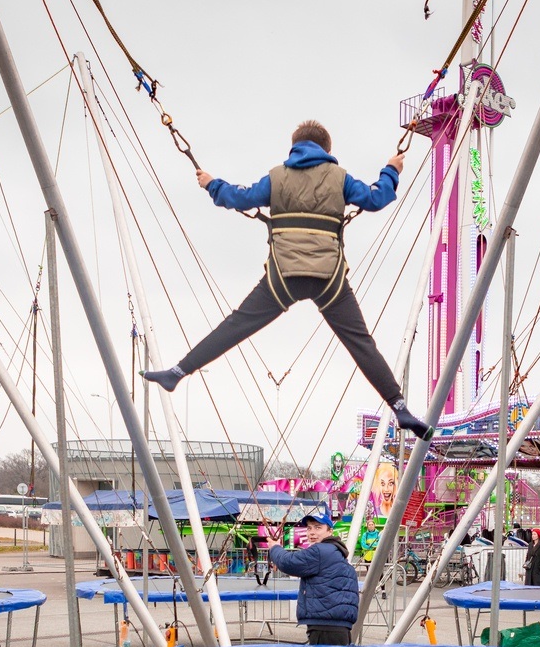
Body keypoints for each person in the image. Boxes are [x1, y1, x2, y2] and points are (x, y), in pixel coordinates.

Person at [141, 120, 432, 440]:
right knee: (361, 343)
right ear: (327, 149)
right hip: (329, 279)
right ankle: (400, 407)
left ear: (294, 147)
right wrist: (391, 170)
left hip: (283, 277)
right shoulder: (340, 178)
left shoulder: (277, 177)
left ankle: (178, 371)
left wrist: (212, 184)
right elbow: (377, 199)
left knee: (236, 325)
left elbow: (239, 198)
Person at [268, 509, 359, 645]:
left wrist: (275, 548)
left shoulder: (320, 551)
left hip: (325, 626)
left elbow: (288, 563)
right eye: (309, 528)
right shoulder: (335, 552)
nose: (312, 532)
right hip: (336, 624)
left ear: (330, 531)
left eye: (318, 528)